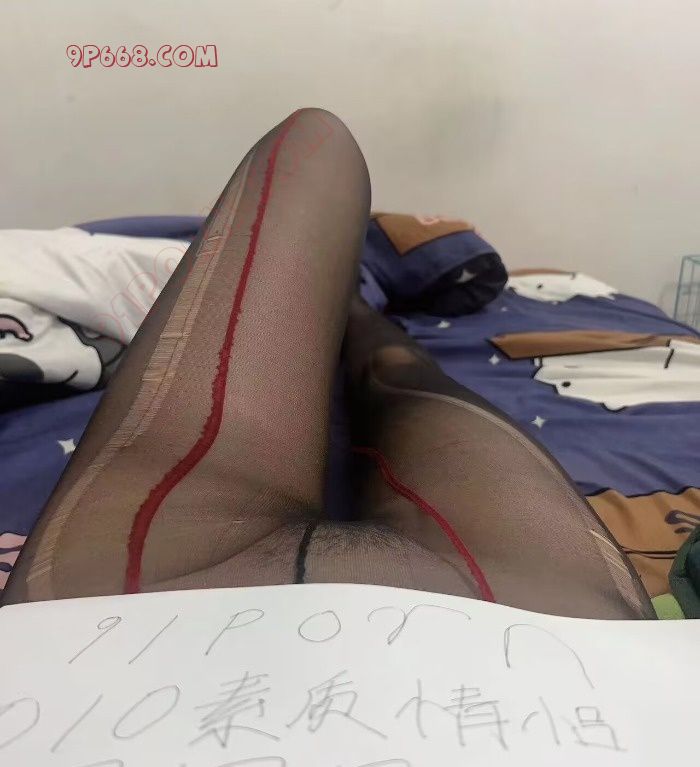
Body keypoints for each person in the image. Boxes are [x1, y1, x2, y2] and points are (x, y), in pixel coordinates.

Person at [2, 109, 654, 620]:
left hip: (123, 611)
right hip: (552, 629)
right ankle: (356, 312)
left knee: (317, 138)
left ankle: (346, 303)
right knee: (400, 379)